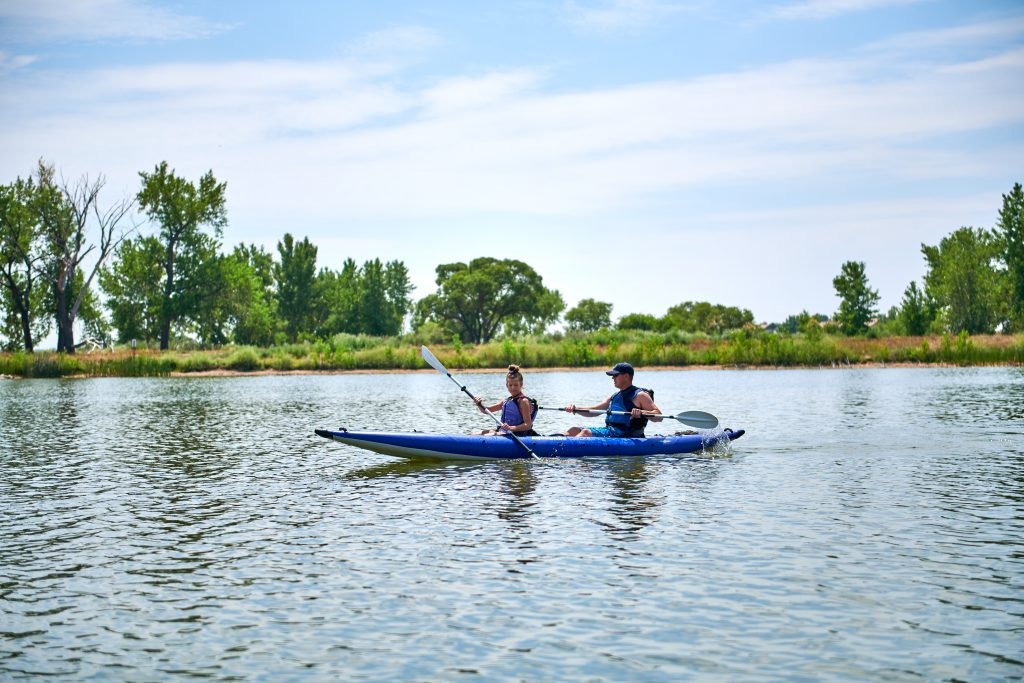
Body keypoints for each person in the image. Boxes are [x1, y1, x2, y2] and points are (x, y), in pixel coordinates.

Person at [564, 362, 661, 437]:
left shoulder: (640, 395)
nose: (612, 378)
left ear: (626, 376)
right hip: (610, 431)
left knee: (585, 433)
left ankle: (562, 451)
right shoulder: (614, 396)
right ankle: (551, 444)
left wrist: (642, 412)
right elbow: (593, 411)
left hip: (626, 435)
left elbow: (659, 416)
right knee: (574, 430)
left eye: (615, 375)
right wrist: (575, 409)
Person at [471, 364, 539, 436]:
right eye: (510, 385)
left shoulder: (523, 401)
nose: (513, 388)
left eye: (516, 385)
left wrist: (511, 428)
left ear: (521, 384)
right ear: (507, 385)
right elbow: (487, 411)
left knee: (487, 436)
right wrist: (478, 404)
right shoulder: (506, 401)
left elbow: (528, 425)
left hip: (517, 433)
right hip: (504, 431)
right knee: (474, 434)